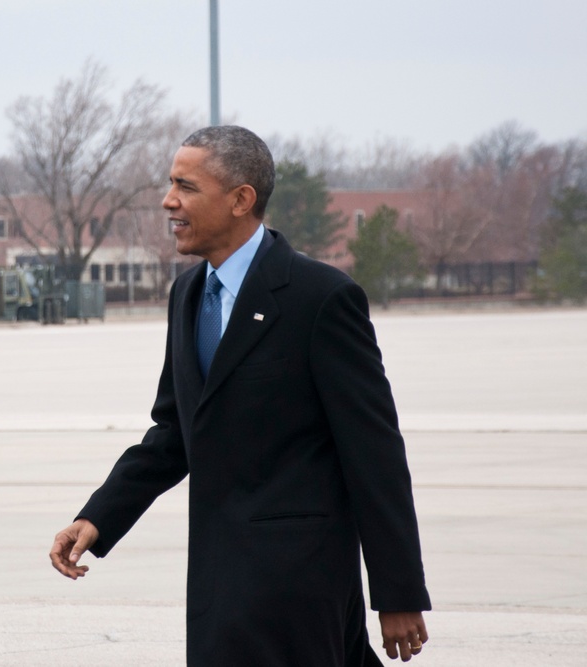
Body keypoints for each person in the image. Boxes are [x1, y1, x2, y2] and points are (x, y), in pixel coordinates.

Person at [50, 125, 431, 665]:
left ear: (240, 200)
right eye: (170, 183)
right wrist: (99, 517)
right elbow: (176, 431)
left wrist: (397, 594)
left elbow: (375, 455)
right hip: (217, 586)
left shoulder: (320, 298)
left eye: (186, 185)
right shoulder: (186, 294)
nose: (168, 200)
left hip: (301, 589)